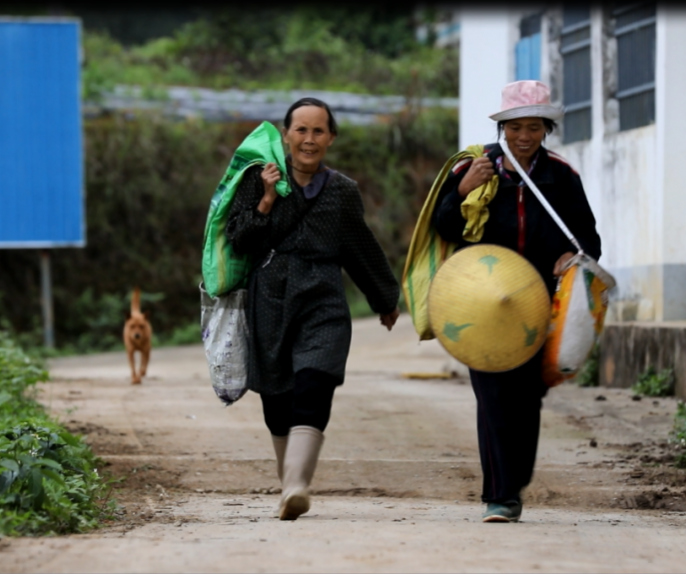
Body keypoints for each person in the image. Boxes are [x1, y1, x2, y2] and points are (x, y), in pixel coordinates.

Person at [432, 80, 602, 523]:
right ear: (502, 128)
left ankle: (513, 484)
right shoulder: (475, 167)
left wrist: (573, 255)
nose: (523, 136)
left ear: (546, 129)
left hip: (537, 305)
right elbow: (444, 226)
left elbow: (589, 237)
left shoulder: (562, 176)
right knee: (493, 396)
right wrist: (464, 190)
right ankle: (500, 495)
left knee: (526, 398)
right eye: (514, 127)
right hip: (481, 303)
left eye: (533, 127)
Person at [225, 97, 401, 521]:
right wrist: (267, 199)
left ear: (331, 138)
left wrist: (384, 298)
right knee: (277, 398)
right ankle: (290, 485)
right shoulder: (258, 178)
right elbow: (237, 238)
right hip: (269, 298)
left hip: (323, 296)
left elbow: (359, 245)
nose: (309, 139)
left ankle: (297, 484)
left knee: (315, 381)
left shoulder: (342, 191)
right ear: (285, 135)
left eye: (318, 130)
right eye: (300, 130)